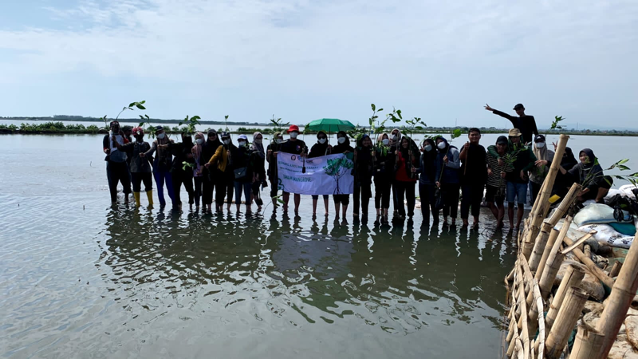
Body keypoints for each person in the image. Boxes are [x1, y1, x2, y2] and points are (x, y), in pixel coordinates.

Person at [498, 128, 537, 230]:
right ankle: (511, 225)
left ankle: (517, 225)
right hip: (510, 180)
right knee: (510, 203)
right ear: (509, 138)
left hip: (522, 180)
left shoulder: (525, 148)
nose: (514, 139)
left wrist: (524, 169)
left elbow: (533, 161)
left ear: (520, 137)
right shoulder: (508, 150)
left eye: (516, 137)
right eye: (512, 137)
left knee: (520, 203)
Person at [117, 126, 153, 207]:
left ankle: (150, 203)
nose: (139, 136)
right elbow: (120, 148)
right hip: (135, 170)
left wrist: (154, 167)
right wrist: (115, 140)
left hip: (146, 170)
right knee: (136, 187)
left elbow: (150, 157)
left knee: (149, 186)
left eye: (140, 135)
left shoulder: (146, 144)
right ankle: (138, 204)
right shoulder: (132, 145)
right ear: (135, 136)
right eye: (138, 135)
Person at [459, 128, 487, 229]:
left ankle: (475, 220)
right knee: (465, 200)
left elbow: (484, 163)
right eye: (472, 135)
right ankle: (465, 221)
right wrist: (465, 150)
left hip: (479, 179)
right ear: (469, 136)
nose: (474, 137)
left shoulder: (481, 149)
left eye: (476, 135)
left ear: (479, 136)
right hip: (466, 179)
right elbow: (461, 158)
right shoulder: (466, 146)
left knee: (477, 201)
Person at [142, 126, 175, 208]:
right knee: (159, 188)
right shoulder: (155, 142)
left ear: (164, 131)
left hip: (168, 167)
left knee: (170, 188)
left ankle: (175, 204)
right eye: (157, 133)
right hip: (158, 166)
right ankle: (162, 205)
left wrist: (167, 146)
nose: (159, 134)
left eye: (160, 132)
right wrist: (145, 154)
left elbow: (175, 151)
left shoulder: (170, 141)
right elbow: (152, 150)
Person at [279, 125, 307, 215]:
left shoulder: (302, 143)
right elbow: (280, 156)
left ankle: (296, 209)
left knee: (297, 191)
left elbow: (307, 154)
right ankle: (285, 208)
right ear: (289, 132)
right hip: (286, 170)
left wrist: (304, 153)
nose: (293, 133)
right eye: (292, 131)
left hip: (297, 171)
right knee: (286, 191)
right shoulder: (284, 143)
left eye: (295, 131)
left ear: (297, 133)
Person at [206, 132, 235, 213]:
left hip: (231, 173)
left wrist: (231, 155)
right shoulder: (221, 147)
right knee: (220, 191)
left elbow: (238, 159)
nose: (225, 140)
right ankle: (220, 208)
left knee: (230, 191)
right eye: (223, 139)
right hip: (221, 172)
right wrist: (209, 162)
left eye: (227, 138)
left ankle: (228, 209)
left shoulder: (234, 148)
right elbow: (215, 155)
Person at [486, 136, 511, 229]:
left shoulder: (508, 156)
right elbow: (488, 164)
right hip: (490, 181)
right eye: (499, 144)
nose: (501, 147)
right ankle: (500, 222)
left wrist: (506, 173)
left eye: (503, 145)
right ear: (496, 144)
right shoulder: (490, 153)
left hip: (501, 184)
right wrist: (488, 169)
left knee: (500, 204)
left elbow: (511, 168)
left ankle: (498, 224)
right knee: (489, 203)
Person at [435, 136, 461, 226]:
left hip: (454, 181)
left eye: (441, 141)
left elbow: (457, 165)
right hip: (444, 181)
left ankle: (453, 220)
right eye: (437, 142)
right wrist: (437, 180)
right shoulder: (438, 153)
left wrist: (447, 162)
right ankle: (445, 220)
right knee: (444, 202)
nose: (440, 144)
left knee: (454, 202)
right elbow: (438, 168)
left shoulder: (454, 151)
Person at [106, 121, 132, 203]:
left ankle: (127, 200)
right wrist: (106, 150)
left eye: (117, 127)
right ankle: (113, 202)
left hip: (123, 162)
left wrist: (122, 136)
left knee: (127, 182)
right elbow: (105, 147)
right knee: (112, 184)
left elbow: (128, 145)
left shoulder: (123, 136)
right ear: (111, 128)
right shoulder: (107, 137)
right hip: (112, 163)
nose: (116, 128)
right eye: (114, 127)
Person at [331, 131, 354, 222]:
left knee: (345, 195)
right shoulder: (334, 148)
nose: (340, 138)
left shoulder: (351, 149)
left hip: (347, 176)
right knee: (336, 195)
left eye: (341, 136)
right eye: (338, 137)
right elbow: (331, 159)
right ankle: (337, 215)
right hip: (336, 176)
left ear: (345, 137)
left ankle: (344, 215)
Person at [309, 131, 332, 217]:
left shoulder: (329, 148)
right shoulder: (315, 147)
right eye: (320, 137)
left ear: (326, 138)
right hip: (316, 173)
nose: (321, 139)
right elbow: (309, 158)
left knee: (325, 192)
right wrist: (316, 161)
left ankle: (326, 210)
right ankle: (314, 211)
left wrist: (331, 150)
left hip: (326, 173)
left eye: (323, 137)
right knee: (315, 192)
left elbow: (333, 158)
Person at [170, 133, 195, 211]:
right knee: (176, 189)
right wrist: (169, 142)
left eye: (186, 135)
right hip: (176, 170)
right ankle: (178, 205)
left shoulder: (193, 147)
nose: (184, 137)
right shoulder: (179, 145)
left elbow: (196, 158)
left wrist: (192, 156)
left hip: (187, 171)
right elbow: (170, 148)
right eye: (183, 135)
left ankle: (191, 204)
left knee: (190, 189)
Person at [231, 135, 255, 213]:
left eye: (243, 140)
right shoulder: (235, 151)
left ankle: (248, 209)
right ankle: (238, 210)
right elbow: (232, 164)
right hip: (237, 176)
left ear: (246, 141)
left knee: (247, 194)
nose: (241, 141)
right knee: (238, 194)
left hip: (248, 176)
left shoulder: (250, 151)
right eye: (240, 140)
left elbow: (253, 165)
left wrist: (254, 175)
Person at [353, 134, 375, 222]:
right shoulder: (357, 150)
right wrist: (354, 156)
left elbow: (373, 163)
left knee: (365, 196)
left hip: (367, 176)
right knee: (356, 196)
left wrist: (374, 156)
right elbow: (354, 163)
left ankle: (365, 213)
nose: (366, 142)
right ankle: (355, 213)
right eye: (364, 140)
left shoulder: (371, 150)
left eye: (367, 140)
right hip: (357, 175)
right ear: (361, 142)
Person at [374, 133, 394, 224]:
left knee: (387, 193)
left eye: (386, 138)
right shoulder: (377, 149)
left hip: (388, 174)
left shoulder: (391, 149)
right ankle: (378, 211)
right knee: (378, 193)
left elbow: (391, 161)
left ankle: (385, 211)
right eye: (383, 138)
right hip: (378, 175)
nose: (385, 139)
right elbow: (376, 161)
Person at [418, 138, 438, 226]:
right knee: (424, 203)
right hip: (422, 182)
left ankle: (436, 220)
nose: (426, 146)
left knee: (433, 203)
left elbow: (438, 169)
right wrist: (415, 170)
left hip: (432, 182)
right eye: (425, 144)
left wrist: (437, 180)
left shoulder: (436, 155)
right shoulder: (422, 156)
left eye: (428, 144)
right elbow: (421, 169)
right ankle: (425, 220)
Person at [530, 134, 555, 204]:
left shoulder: (551, 154)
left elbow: (556, 166)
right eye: (537, 141)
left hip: (547, 180)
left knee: (546, 201)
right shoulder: (531, 153)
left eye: (541, 141)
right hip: (533, 180)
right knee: (534, 201)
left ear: (544, 142)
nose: (539, 143)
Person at [201, 129, 221, 213]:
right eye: (210, 135)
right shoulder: (204, 146)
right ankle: (208, 207)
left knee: (219, 190)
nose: (212, 137)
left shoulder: (221, 145)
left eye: (214, 135)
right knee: (207, 190)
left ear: (216, 135)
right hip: (207, 171)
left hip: (219, 171)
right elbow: (201, 159)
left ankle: (218, 207)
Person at [250, 132, 268, 212]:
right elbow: (252, 164)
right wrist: (254, 175)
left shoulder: (261, 148)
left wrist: (263, 174)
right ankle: (256, 206)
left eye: (260, 138)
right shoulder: (253, 148)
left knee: (255, 190)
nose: (259, 140)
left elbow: (262, 163)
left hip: (260, 172)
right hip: (254, 173)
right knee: (254, 190)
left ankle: (251, 205)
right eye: (257, 138)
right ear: (254, 138)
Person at [266, 132, 284, 206]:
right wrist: (269, 155)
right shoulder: (270, 146)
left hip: (283, 170)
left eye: (280, 138)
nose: (279, 139)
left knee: (285, 189)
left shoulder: (284, 145)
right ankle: (274, 204)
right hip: (273, 170)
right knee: (274, 188)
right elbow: (267, 160)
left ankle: (284, 204)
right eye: (278, 138)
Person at [192, 132, 206, 212]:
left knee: (204, 190)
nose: (198, 139)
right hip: (196, 172)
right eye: (196, 138)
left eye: (199, 137)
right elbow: (193, 160)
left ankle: (204, 206)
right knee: (197, 189)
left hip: (204, 171)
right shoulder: (194, 148)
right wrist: (193, 154)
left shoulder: (205, 147)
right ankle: (197, 206)